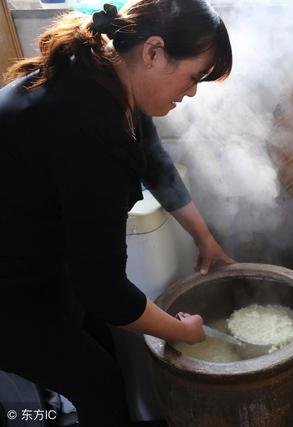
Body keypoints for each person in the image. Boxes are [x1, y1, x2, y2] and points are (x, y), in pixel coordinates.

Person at [0, 0, 233, 425]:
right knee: (100, 383)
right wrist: (185, 333)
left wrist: (205, 239)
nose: (193, 91)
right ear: (153, 51)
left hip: (39, 255)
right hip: (8, 287)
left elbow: (155, 161)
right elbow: (106, 290)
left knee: (96, 345)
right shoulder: (86, 130)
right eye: (194, 76)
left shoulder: (106, 76)